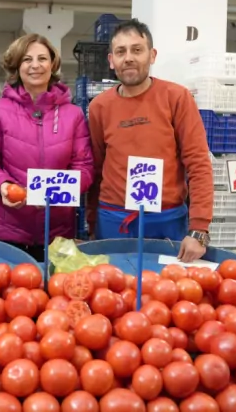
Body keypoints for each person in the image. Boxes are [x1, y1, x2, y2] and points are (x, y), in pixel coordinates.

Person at [87, 19, 214, 262]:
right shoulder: (99, 107)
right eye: (121, 51)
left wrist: (199, 229)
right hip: (113, 220)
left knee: (166, 296)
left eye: (137, 50)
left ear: (152, 55)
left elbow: (198, 163)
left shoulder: (176, 98)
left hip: (167, 220)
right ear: (111, 60)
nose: (129, 58)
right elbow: (96, 168)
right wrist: (92, 221)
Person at [0, 34, 94, 261]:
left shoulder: (73, 115)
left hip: (56, 233)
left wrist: (54, 191)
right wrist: (3, 185)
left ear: (53, 64)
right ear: (17, 66)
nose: (35, 65)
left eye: (42, 58)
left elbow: (85, 168)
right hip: (6, 230)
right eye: (27, 59)